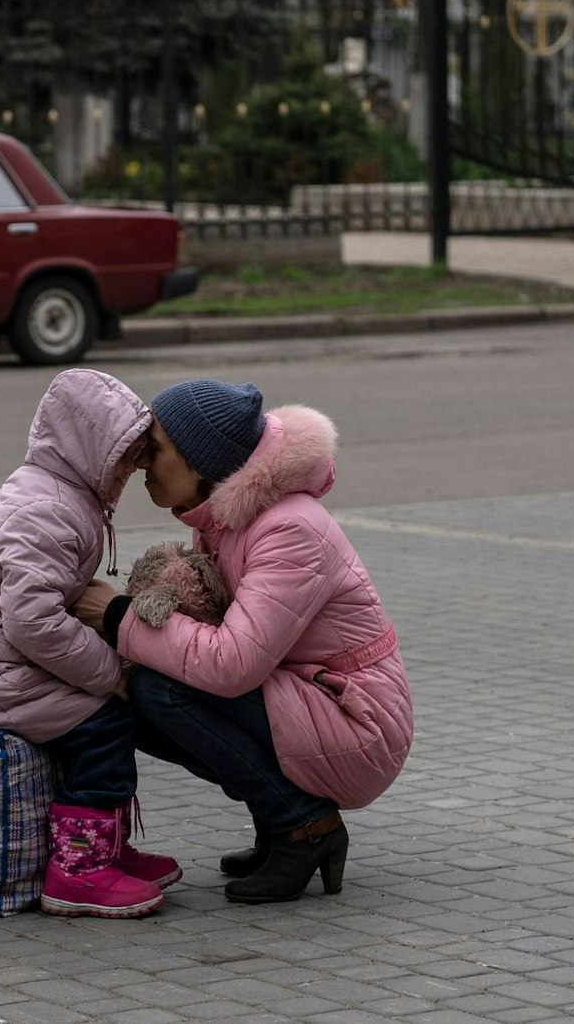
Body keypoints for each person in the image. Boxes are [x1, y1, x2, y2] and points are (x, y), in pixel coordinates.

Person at [76, 380, 413, 904]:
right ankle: (276, 819)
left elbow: (234, 665)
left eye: (158, 449)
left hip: (359, 720)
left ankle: (305, 826)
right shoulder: (228, 518)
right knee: (139, 697)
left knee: (163, 692)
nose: (143, 463)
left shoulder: (289, 530)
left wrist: (119, 616)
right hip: (313, 695)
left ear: (200, 461)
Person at [0, 368, 180, 919]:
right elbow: (33, 622)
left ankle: (104, 847)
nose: (131, 470)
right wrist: (111, 671)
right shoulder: (50, 510)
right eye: (124, 456)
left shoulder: (55, 490)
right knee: (103, 721)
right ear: (90, 452)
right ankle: (81, 871)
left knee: (94, 717)